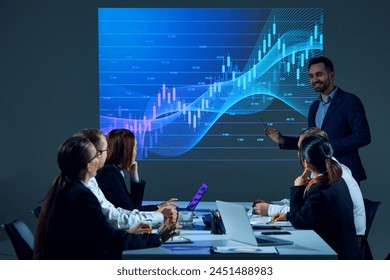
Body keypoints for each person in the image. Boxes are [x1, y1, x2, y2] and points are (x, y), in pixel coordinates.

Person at [34, 136, 176, 259]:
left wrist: (128, 233)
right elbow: (112, 242)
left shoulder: (66, 187)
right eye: (97, 155)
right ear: (88, 166)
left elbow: (99, 235)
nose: (103, 157)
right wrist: (158, 237)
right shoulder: (82, 196)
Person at [264, 56, 371, 185]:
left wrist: (327, 148)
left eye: (319, 75)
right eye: (311, 76)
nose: (315, 80)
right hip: (320, 174)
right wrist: (282, 140)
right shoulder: (314, 107)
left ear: (331, 75)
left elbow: (363, 136)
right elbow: (311, 141)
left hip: (345, 173)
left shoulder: (350, 101)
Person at [253, 127, 366, 237]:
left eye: (301, 150)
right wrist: (282, 210)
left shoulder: (331, 178)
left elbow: (303, 217)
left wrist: (270, 209)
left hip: (343, 242)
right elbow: (310, 207)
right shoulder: (329, 170)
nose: (299, 155)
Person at [271, 135, 362, 259]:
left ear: (305, 163)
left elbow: (299, 222)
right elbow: (309, 215)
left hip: (336, 257)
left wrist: (297, 188)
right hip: (346, 253)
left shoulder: (320, 188)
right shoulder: (336, 180)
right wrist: (288, 216)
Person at [75, 128, 177, 229]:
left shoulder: (102, 175)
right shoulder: (107, 173)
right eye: (106, 150)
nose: (108, 153)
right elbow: (122, 214)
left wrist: (134, 177)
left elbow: (124, 209)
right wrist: (159, 212)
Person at [96, 128, 176, 213]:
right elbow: (130, 210)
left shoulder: (114, 170)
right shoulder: (108, 173)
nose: (136, 152)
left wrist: (134, 177)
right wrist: (158, 207)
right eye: (135, 148)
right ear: (127, 151)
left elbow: (134, 204)